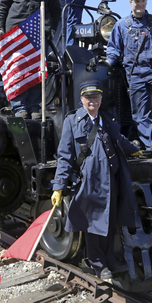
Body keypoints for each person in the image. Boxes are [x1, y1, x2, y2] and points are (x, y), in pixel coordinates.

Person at [51, 81, 141, 280]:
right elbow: (65, 155)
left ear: (100, 99)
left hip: (112, 180)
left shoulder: (107, 119)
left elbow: (119, 140)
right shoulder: (72, 121)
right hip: (90, 181)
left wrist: (136, 150)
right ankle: (97, 263)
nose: (93, 101)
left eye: (96, 97)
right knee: (93, 223)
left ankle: (109, 257)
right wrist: (58, 187)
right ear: (82, 100)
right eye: (88, 98)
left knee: (109, 221)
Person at [105, 0, 152, 161]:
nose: (140, 4)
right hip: (134, 72)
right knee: (140, 112)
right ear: (131, 3)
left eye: (143, 1)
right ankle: (150, 143)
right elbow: (113, 48)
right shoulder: (122, 24)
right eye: (136, 1)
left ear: (146, 3)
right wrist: (107, 63)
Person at [0, 0, 62, 119]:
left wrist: (52, 29)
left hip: (39, 32)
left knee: (37, 68)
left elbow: (56, 10)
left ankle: (34, 106)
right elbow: (2, 7)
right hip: (15, 33)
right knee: (16, 69)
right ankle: (19, 107)